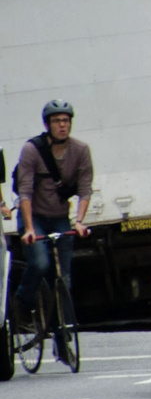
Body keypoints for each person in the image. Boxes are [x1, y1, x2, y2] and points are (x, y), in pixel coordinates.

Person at [13, 100, 93, 331]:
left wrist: (78, 221)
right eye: (57, 121)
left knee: (63, 278)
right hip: (34, 218)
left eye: (66, 121)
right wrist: (28, 228)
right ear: (47, 124)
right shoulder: (32, 149)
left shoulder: (81, 150)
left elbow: (85, 188)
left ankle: (64, 331)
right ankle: (23, 302)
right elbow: (25, 190)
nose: (62, 125)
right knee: (39, 263)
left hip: (59, 217)